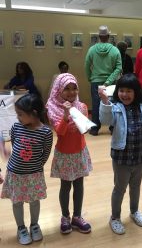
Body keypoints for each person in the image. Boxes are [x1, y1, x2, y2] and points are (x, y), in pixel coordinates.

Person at [98, 73, 142, 235]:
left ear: (137, 92)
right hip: (121, 158)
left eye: (129, 91)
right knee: (120, 188)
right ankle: (115, 217)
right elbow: (105, 119)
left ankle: (134, 211)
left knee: (136, 185)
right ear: (117, 92)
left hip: (141, 156)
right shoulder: (116, 108)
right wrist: (104, 100)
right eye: (121, 90)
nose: (125, 94)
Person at [1, 94, 53, 245]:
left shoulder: (45, 132)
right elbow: (15, 142)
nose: (18, 118)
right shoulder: (16, 127)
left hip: (34, 175)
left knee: (34, 201)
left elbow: (45, 154)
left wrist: (35, 166)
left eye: (20, 114)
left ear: (34, 114)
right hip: (15, 174)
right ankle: (21, 228)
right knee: (17, 202)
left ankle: (34, 225)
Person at [46, 73, 93, 234]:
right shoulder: (52, 108)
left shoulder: (82, 106)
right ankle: (65, 216)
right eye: (67, 88)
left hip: (79, 151)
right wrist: (66, 116)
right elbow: (60, 132)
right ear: (59, 89)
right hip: (64, 154)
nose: (71, 92)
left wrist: (81, 119)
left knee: (79, 185)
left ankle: (77, 217)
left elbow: (84, 130)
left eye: (74, 88)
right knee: (65, 186)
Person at [85, 25, 122, 136]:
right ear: (108, 36)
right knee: (113, 104)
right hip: (111, 83)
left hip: (96, 81)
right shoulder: (115, 50)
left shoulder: (92, 50)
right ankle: (112, 127)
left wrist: (90, 78)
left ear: (99, 36)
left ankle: (95, 128)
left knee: (96, 105)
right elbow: (119, 67)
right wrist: (109, 80)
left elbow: (87, 65)